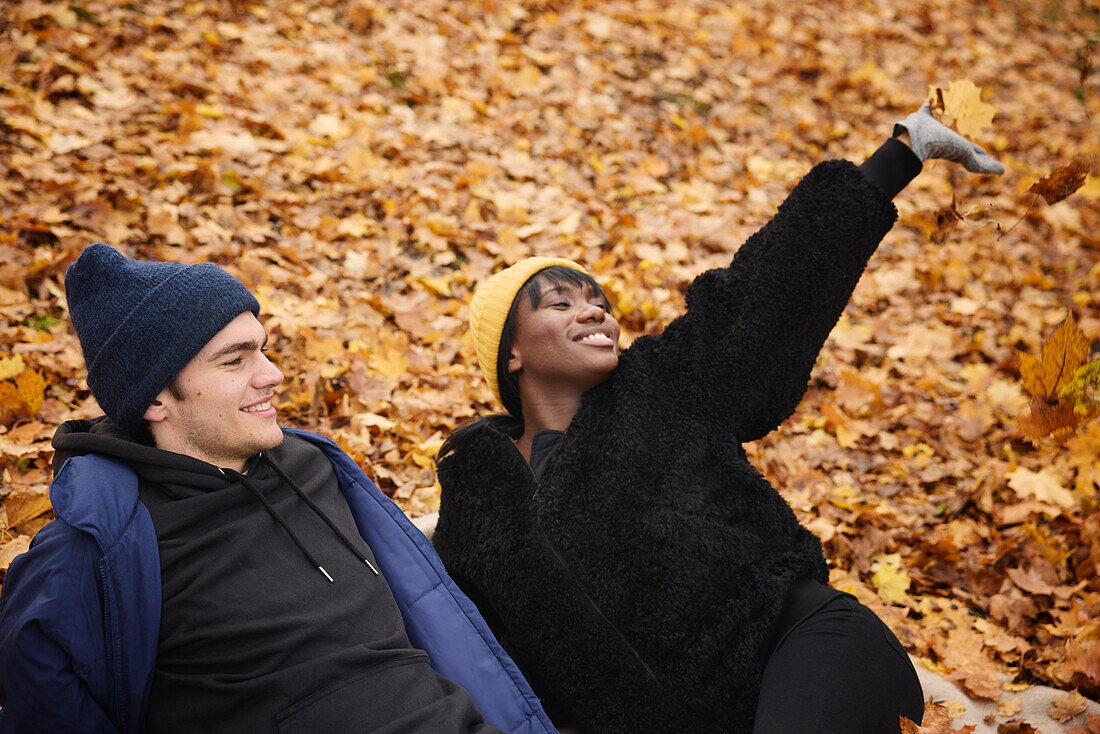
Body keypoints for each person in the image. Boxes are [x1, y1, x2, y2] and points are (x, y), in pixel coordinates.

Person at [431, 103, 1005, 733]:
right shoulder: (481, 502)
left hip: (806, 644)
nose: (595, 313)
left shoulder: (665, 385)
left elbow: (770, 287)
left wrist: (902, 151)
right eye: (561, 303)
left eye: (599, 301)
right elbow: (479, 649)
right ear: (510, 352)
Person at [0, 244, 557, 734]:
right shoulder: (99, 548)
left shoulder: (315, 466)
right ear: (154, 400)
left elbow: (434, 611)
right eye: (235, 360)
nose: (272, 375)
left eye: (263, 349)